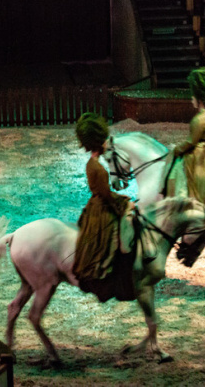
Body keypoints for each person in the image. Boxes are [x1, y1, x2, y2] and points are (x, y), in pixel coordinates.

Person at [71, 113, 135, 301]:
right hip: (102, 206)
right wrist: (121, 202)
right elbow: (106, 193)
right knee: (122, 229)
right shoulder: (98, 167)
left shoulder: (92, 163)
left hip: (95, 202)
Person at [164, 68, 205, 208]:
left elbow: (191, 142)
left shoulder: (199, 119)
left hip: (197, 154)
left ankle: (180, 198)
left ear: (199, 99)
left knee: (177, 168)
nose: (191, 100)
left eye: (193, 97)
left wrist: (177, 148)